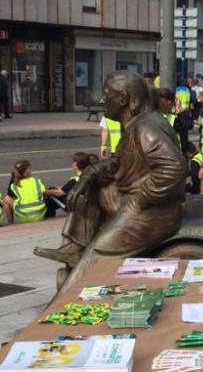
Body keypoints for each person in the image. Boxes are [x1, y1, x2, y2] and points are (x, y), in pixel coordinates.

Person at [34, 71, 189, 290]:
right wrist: (89, 174)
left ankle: (66, 302)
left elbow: (174, 167)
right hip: (134, 198)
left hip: (151, 211)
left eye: (107, 94)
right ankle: (74, 247)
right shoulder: (135, 123)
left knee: (96, 257)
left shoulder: (145, 128)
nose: (102, 100)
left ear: (124, 98)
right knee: (89, 190)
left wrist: (143, 198)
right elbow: (118, 160)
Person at [44, 152, 96, 217]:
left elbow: (59, 193)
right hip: (90, 204)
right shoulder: (90, 175)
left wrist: (44, 190)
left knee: (51, 197)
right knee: (53, 190)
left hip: (77, 207)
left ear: (75, 164)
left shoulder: (76, 180)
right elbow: (67, 188)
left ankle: (49, 217)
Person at [2, 160, 47, 224]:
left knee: (6, 199)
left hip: (24, 217)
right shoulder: (36, 181)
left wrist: (14, 177)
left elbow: (10, 194)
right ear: (27, 172)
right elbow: (44, 193)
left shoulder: (14, 184)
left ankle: (10, 223)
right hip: (39, 215)